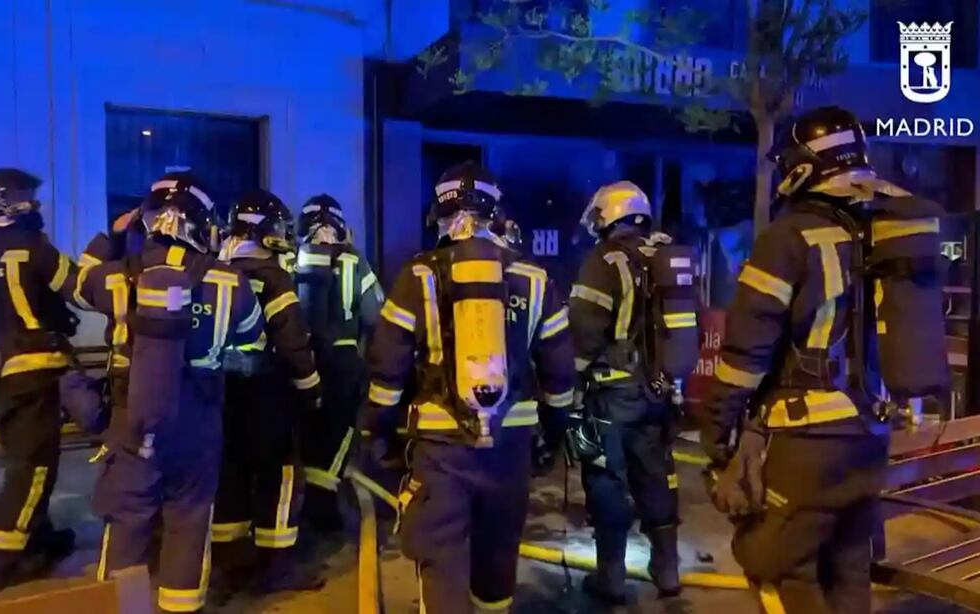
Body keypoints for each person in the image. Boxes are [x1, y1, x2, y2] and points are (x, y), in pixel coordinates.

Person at [700, 106, 898, 614]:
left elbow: (746, 352)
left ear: (804, 167)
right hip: (871, 435)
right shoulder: (882, 236)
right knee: (848, 568)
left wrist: (716, 432)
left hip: (808, 441)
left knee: (777, 564)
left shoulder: (787, 238)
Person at [360, 162, 575, 614]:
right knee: (498, 556)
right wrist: (552, 437)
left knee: (442, 557)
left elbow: (388, 370)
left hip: (441, 448)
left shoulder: (418, 276)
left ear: (438, 213)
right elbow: (559, 374)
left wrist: (378, 434)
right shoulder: (535, 279)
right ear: (496, 212)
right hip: (511, 445)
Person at [73, 173, 263, 613]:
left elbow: (78, 284)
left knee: (128, 522)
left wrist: (112, 237)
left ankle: (121, 607)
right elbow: (253, 349)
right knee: (190, 519)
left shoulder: (119, 277)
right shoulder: (231, 282)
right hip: (198, 421)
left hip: (132, 418)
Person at [568, 181, 687, 603]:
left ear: (608, 215)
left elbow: (584, 332)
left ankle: (611, 578)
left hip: (607, 396)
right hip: (656, 392)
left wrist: (568, 386)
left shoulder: (603, 261)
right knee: (656, 475)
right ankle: (668, 570)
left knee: (604, 479)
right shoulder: (663, 258)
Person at [0, 168, 80, 592]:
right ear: (4, 200)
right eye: (26, 195)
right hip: (32, 369)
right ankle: (2, 566)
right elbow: (79, 287)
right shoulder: (30, 244)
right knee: (31, 470)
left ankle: (38, 536)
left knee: (25, 459)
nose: (35, 203)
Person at [212, 189, 323, 595]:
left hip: (221, 394)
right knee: (280, 474)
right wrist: (311, 388)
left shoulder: (215, 274)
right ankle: (277, 567)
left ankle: (231, 565)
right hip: (268, 393)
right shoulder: (274, 279)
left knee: (231, 474)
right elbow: (293, 343)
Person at [294, 194, 382, 531]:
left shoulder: (290, 259)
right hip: (342, 362)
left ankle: (300, 511)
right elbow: (376, 314)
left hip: (298, 360)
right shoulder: (354, 261)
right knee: (338, 435)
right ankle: (324, 510)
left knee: (303, 432)